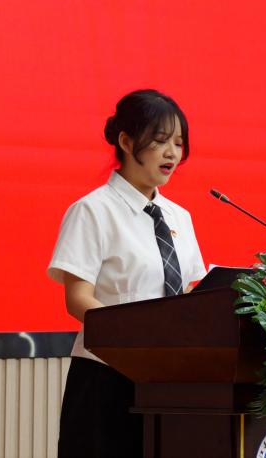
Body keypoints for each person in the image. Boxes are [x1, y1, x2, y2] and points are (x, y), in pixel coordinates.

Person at [48, 89, 207, 457]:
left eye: (178, 143)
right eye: (161, 140)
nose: (172, 153)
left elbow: (186, 296)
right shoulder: (93, 211)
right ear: (126, 141)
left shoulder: (180, 217)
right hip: (107, 377)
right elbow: (78, 299)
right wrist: (136, 340)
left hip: (168, 379)